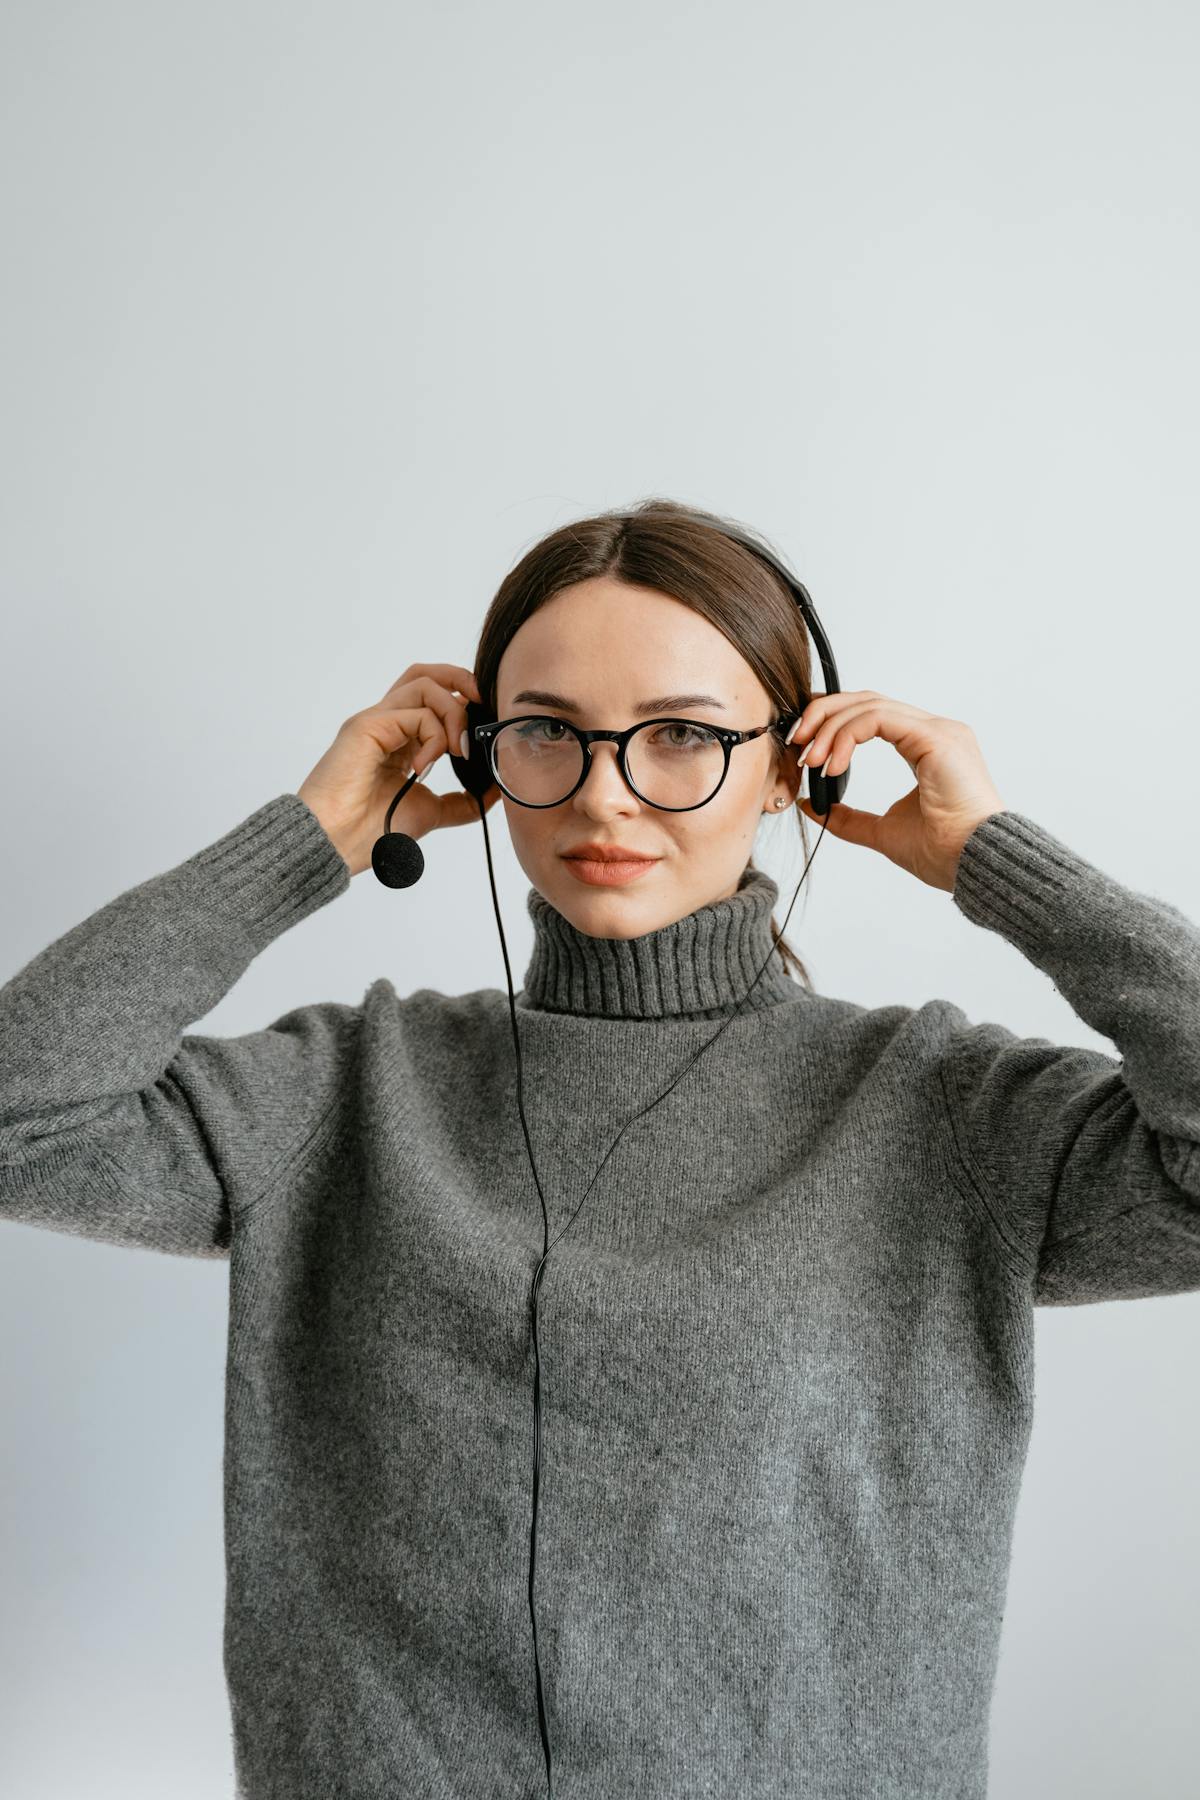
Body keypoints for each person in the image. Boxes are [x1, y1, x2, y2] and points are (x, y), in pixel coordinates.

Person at [3, 497, 1198, 1800]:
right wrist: (314, 838)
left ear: (801, 765)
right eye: (548, 736)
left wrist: (995, 860)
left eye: (681, 736)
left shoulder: (943, 1112)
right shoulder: (345, 1093)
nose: (606, 794)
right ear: (475, 759)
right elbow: (23, 1113)